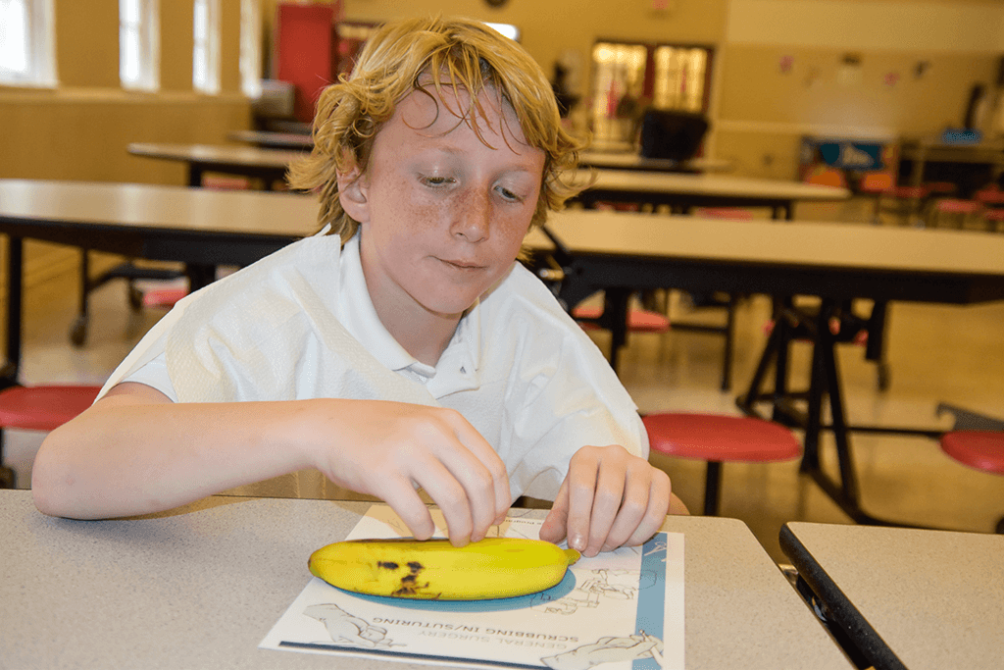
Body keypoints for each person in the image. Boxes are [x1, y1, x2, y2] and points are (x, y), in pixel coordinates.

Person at [32, 16, 684, 557]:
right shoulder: (270, 313)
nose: (475, 224)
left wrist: (631, 493)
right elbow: (67, 470)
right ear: (354, 181)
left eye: (510, 192)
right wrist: (323, 428)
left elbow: (663, 511)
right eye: (437, 179)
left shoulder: (527, 327)